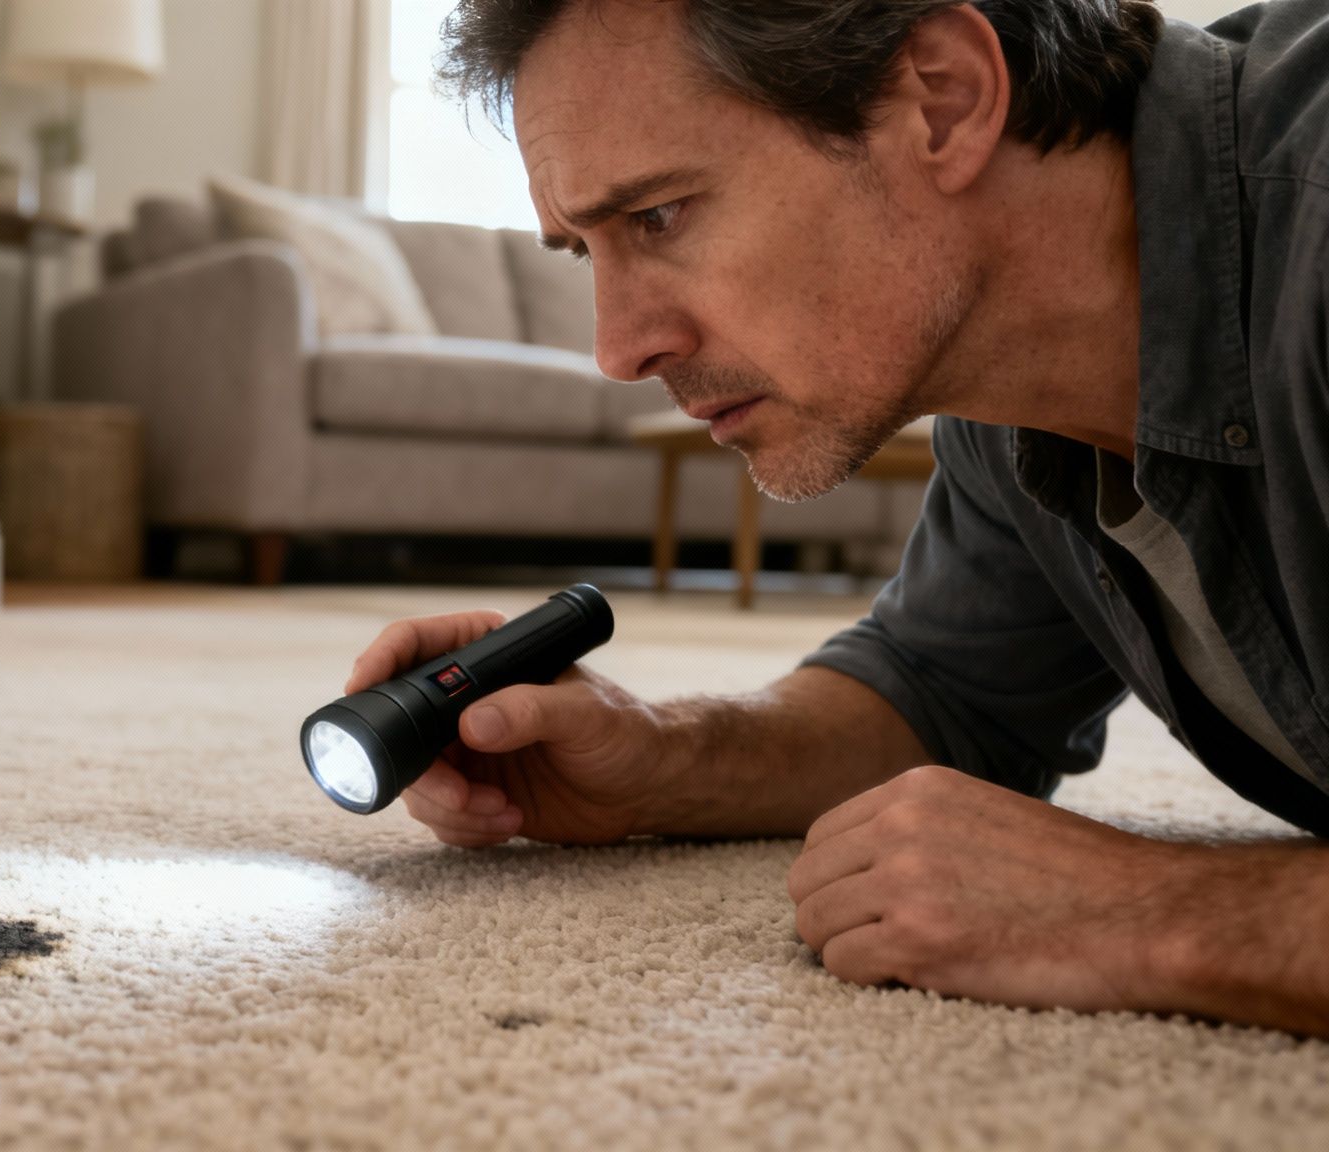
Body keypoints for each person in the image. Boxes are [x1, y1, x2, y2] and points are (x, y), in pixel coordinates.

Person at [348, 0, 1329, 1035]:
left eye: (658, 217)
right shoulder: (1006, 387)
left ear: (940, 99)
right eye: (584, 253)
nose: (617, 347)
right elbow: (940, 696)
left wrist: (1149, 913)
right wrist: (656, 758)